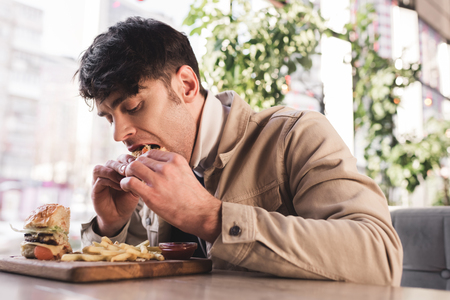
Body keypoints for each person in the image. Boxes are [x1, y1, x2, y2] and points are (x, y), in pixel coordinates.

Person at [78, 16, 402, 286]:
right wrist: (111, 227)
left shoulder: (295, 135)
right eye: (109, 118)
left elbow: (380, 259)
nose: (120, 134)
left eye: (133, 107)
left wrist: (213, 218)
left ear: (187, 85)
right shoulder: (154, 171)